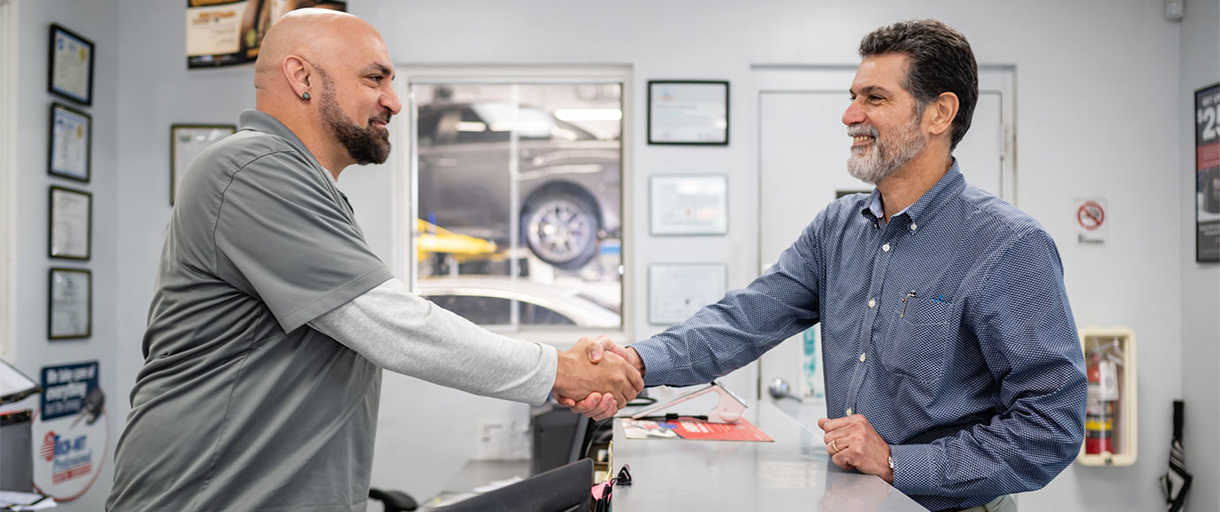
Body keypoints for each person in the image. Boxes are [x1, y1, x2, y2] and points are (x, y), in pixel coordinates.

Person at [107, 10, 641, 511]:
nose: (394, 101)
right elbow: (390, 323)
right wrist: (557, 371)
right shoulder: (251, 168)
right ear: (302, 77)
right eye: (374, 79)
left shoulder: (308, 185)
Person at [562, 19, 1086, 512]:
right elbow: (745, 319)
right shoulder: (837, 228)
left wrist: (899, 462)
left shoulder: (1009, 245)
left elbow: (1051, 426)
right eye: (853, 97)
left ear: (939, 114)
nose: (850, 115)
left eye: (874, 98)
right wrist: (634, 360)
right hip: (854, 498)